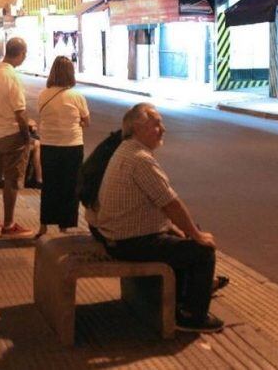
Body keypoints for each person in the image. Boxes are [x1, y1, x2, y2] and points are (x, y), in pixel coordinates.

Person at [94, 102, 224, 333]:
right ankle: (192, 317)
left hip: (117, 235)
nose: (163, 129)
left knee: (188, 233)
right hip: (129, 242)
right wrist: (195, 234)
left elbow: (160, 206)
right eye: (156, 124)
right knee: (202, 250)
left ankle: (183, 299)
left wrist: (181, 229)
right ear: (137, 128)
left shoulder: (126, 149)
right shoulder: (140, 159)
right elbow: (170, 203)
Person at [0, 37, 35, 238]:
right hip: (11, 135)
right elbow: (20, 113)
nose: (24, 58)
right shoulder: (12, 77)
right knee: (11, 181)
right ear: (20, 53)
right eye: (24, 54)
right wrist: (27, 137)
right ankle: (9, 225)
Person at [36, 56, 89, 236]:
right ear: (70, 73)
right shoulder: (76, 96)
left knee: (49, 185)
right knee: (69, 186)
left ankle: (44, 225)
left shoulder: (43, 94)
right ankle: (64, 226)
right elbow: (86, 121)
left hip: (48, 145)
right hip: (72, 145)